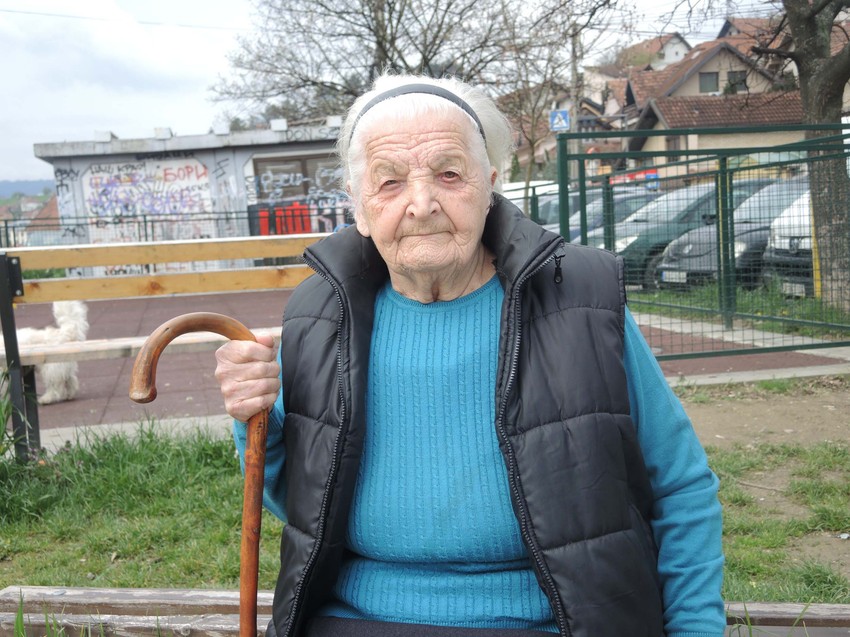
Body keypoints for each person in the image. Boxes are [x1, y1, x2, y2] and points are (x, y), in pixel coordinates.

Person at [214, 74, 725, 637]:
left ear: (490, 187)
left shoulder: (580, 302)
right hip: (357, 621)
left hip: (547, 622)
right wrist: (255, 418)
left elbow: (680, 485)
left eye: (449, 174)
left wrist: (696, 629)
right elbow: (300, 508)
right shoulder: (319, 315)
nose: (422, 204)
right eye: (389, 182)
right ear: (359, 209)